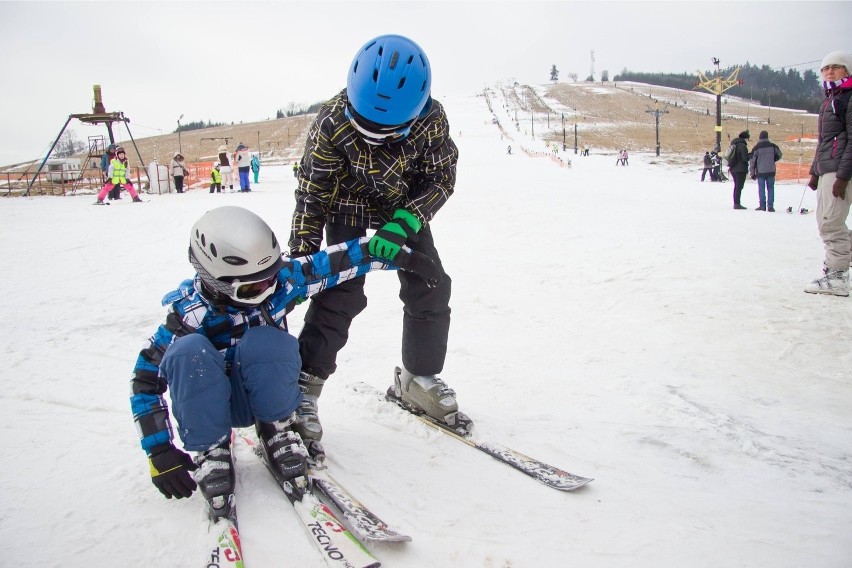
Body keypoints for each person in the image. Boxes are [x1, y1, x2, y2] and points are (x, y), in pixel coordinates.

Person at [129, 205, 440, 506]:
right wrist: (159, 451)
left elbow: (335, 263)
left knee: (270, 342)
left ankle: (277, 427)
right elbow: (144, 380)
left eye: (272, 275)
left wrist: (401, 257)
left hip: (265, 395)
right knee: (186, 353)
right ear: (214, 281)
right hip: (211, 405)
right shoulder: (188, 315)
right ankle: (212, 449)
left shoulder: (279, 282)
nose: (268, 288)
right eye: (252, 288)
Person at [287, 34, 463, 458]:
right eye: (366, 126)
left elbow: (441, 178)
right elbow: (313, 194)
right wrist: (301, 261)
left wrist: (403, 222)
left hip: (402, 209)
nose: (375, 137)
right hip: (344, 206)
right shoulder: (331, 122)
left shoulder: (431, 119)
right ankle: (302, 390)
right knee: (339, 294)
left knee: (431, 285)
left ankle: (417, 379)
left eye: (389, 131)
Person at [804, 51, 852, 296]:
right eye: (825, 68)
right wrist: (815, 172)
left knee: (831, 222)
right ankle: (840, 263)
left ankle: (838, 276)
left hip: (840, 170)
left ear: (847, 70)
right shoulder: (830, 100)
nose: (830, 71)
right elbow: (824, 141)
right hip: (827, 169)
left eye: (836, 67)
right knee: (825, 222)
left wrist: (843, 176)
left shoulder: (847, 98)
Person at [749, 131, 782, 212]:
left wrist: (752, 173)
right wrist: (774, 159)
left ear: (760, 137)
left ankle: (762, 206)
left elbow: (752, 161)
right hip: (771, 170)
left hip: (760, 171)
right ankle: (770, 206)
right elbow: (780, 154)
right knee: (771, 188)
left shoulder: (756, 148)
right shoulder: (773, 146)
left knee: (761, 188)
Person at [728, 131, 750, 209]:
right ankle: (737, 204)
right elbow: (745, 158)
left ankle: (736, 203)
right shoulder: (742, 146)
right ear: (746, 138)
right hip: (740, 169)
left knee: (736, 186)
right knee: (739, 186)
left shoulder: (734, 144)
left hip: (733, 168)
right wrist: (750, 155)